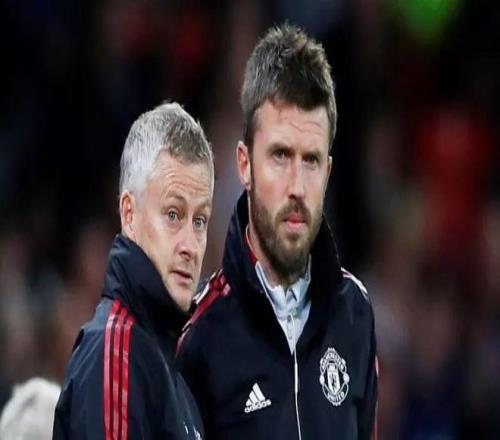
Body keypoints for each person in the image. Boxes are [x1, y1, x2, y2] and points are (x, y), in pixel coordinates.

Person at [177, 24, 378, 439]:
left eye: (311, 160)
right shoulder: (198, 339)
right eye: (281, 155)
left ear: (328, 172)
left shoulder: (355, 314)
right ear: (245, 165)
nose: (297, 186)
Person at [53, 102, 214, 439]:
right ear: (129, 214)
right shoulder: (117, 354)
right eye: (173, 215)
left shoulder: (171, 371)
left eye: (199, 220)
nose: (190, 244)